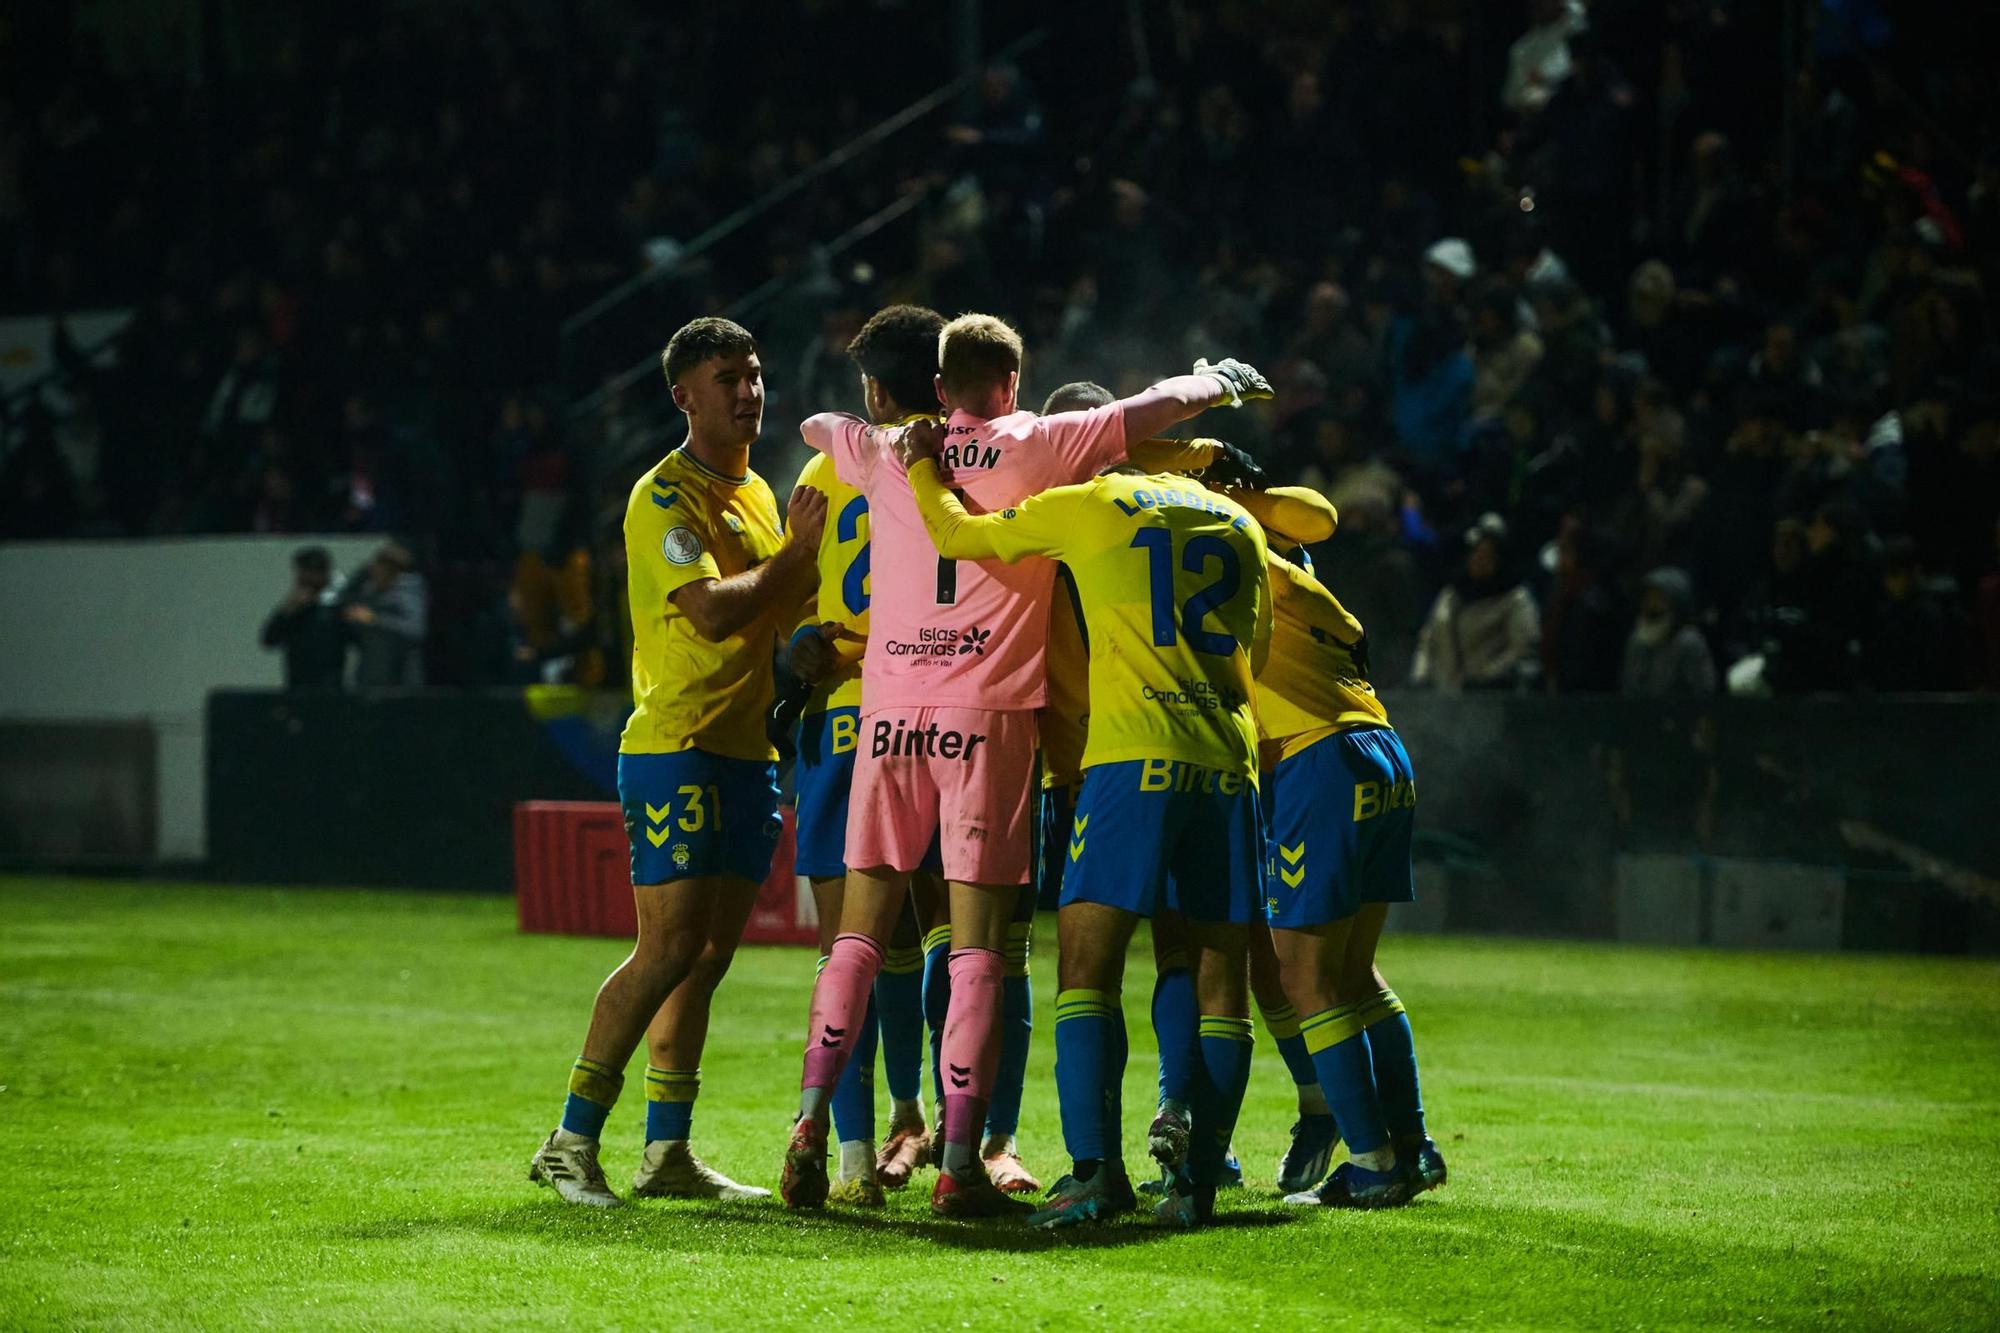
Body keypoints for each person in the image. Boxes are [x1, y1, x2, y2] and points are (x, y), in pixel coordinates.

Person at [779, 310, 1271, 1218]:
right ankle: (963, 1161)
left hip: (887, 714)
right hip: (989, 717)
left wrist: (895, 436)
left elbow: (815, 426)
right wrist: (1218, 378)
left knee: (856, 933)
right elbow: (1150, 408)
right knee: (980, 950)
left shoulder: (886, 448)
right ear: (1011, 382)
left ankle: (810, 1127)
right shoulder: (1041, 444)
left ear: (937, 385)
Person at [890, 414, 1272, 1231]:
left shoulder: (1090, 503)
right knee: (1217, 976)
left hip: (1130, 759)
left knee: (1085, 968)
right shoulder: (1239, 521)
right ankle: (1199, 1183)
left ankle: (1097, 1172)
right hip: (1226, 764)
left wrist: (924, 466)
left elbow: (956, 534)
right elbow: (1257, 650)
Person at [529, 317, 827, 1207]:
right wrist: (798, 562)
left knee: (706, 957)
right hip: (676, 746)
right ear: (683, 396)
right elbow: (708, 612)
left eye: (756, 374)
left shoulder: (763, 498)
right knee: (664, 950)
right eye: (728, 377)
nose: (749, 392)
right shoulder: (663, 496)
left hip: (744, 752)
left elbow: (775, 617)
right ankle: (570, 1138)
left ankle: (667, 1152)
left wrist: (810, 647)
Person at [778, 304, 944, 1204]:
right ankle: (951, 1132)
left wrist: (797, 650)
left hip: (847, 717)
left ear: (873, 389)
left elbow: (792, 600)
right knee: (954, 943)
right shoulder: (971, 460)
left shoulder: (824, 465)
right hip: (945, 718)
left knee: (852, 942)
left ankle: (849, 1160)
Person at [1255, 546, 1446, 1209]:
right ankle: (1413, 1144)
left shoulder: (1255, 598)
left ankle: (1371, 1161)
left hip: (1322, 762)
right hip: (1383, 753)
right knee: (1356, 972)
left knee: (1303, 974)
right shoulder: (1325, 612)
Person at [1412, 513, 1542, 692]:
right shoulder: (1451, 595)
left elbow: (1523, 649)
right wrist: (1419, 677)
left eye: (1487, 555)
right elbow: (1428, 639)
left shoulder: (1515, 599)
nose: (1479, 560)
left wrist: (1488, 677)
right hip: (1444, 699)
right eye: (1476, 552)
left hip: (1491, 701)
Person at [338, 541, 427, 688]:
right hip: (370, 677)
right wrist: (363, 571)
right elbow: (344, 600)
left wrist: (374, 619)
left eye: (384, 567)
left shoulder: (407, 591)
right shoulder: (369, 591)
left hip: (401, 677)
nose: (376, 570)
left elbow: (415, 629)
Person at [1620, 567, 1717, 696]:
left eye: (1659, 598)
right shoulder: (1636, 640)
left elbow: (1702, 692)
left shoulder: (1689, 642)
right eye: (1649, 598)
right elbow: (1628, 689)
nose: (1652, 605)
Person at [260, 546, 346, 689]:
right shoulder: (293, 610)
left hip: (331, 690)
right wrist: (287, 610)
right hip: (297, 688)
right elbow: (269, 640)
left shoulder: (338, 608)